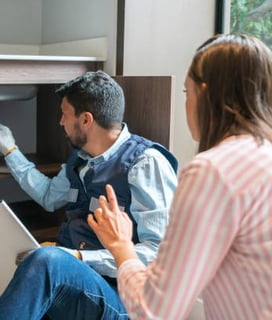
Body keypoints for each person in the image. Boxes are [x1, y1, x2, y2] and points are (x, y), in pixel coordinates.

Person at [0, 70, 178, 319]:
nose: (60, 122)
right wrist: (10, 149)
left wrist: (77, 257)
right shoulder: (80, 159)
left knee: (47, 259)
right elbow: (49, 196)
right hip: (69, 283)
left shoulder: (145, 163)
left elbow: (159, 255)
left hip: (118, 298)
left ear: (86, 120)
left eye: (64, 114)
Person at [88, 34, 272, 319]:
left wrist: (121, 246)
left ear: (205, 92)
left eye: (186, 93)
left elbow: (154, 311)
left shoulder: (212, 170)